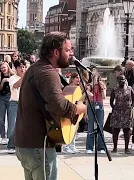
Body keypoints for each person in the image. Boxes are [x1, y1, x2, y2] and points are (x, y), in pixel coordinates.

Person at [14, 32, 87, 180]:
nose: (71, 53)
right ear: (55, 52)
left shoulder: (34, 69)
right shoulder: (48, 73)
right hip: (39, 145)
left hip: (26, 143)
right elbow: (58, 105)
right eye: (67, 50)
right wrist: (78, 109)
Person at [110, 75, 134, 154]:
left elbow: (133, 100)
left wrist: (131, 107)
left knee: (127, 131)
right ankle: (115, 148)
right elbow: (111, 100)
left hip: (127, 112)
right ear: (117, 80)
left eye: (123, 79)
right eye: (120, 79)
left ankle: (126, 148)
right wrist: (114, 108)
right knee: (115, 130)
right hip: (117, 112)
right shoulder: (115, 89)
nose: (121, 81)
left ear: (125, 80)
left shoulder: (130, 89)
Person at [7, 60, 27, 154]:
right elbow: (15, 85)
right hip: (14, 103)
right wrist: (24, 77)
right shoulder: (12, 78)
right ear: (16, 68)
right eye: (20, 67)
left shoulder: (28, 78)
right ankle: (11, 145)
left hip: (25, 104)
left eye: (24, 67)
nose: (22, 69)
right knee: (13, 125)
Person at [0, 62, 14, 145]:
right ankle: (3, 137)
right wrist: (2, 82)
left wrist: (9, 81)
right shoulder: (0, 76)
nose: (3, 69)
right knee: (1, 118)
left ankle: (9, 137)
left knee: (10, 119)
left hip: (11, 97)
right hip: (2, 97)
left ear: (8, 67)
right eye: (2, 68)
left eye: (4, 67)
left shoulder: (13, 75)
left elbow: (15, 87)